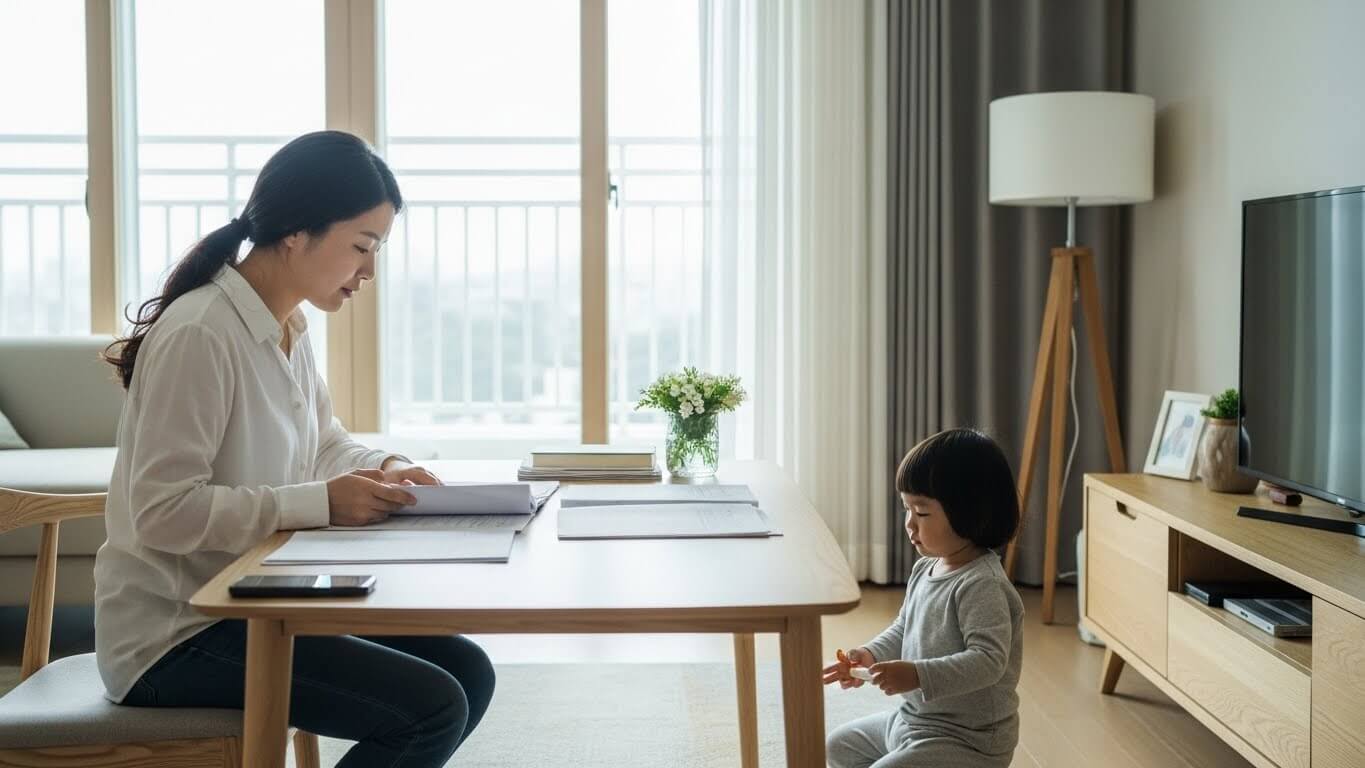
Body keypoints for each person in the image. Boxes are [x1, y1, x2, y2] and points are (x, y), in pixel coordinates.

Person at [95, 130, 494, 767]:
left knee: (469, 670)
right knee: (431, 708)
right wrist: (322, 503)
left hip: (257, 606)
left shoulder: (288, 326)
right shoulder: (201, 333)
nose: (369, 272)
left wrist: (386, 466)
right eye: (361, 246)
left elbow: (323, 443)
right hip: (177, 635)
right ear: (296, 233)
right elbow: (162, 513)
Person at [823, 428, 1024, 767]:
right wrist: (868, 655)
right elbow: (904, 628)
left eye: (922, 513)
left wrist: (918, 675)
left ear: (970, 512)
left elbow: (988, 661)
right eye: (907, 509)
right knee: (838, 746)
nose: (909, 524)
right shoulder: (925, 569)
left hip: (967, 740)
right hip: (913, 719)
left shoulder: (982, 584)